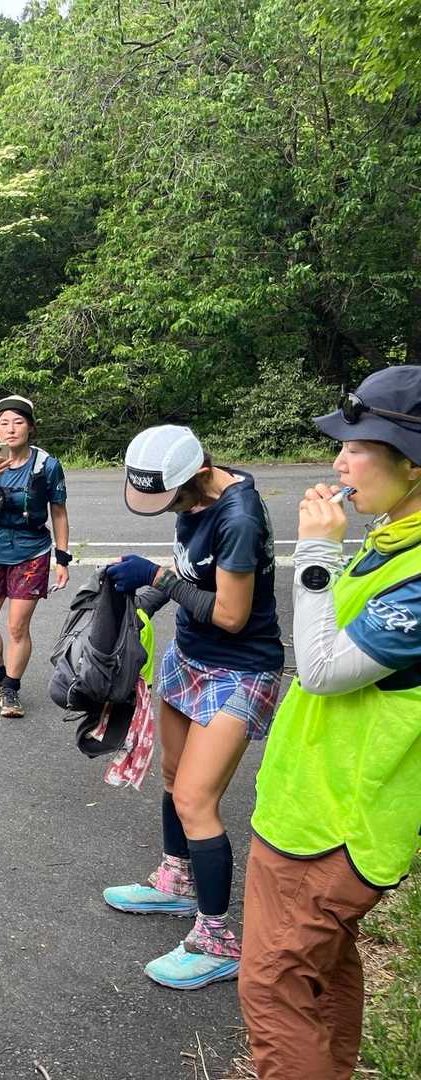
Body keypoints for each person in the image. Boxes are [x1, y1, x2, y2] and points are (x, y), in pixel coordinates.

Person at [240, 366, 421, 1079]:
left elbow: (319, 669)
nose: (339, 464)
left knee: (273, 989)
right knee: (321, 973)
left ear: (413, 464)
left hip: (336, 822)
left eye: (358, 448)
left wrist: (316, 552)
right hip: (317, 802)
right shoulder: (394, 538)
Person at [102, 425, 284, 990]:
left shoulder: (239, 518)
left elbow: (230, 614)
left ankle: (216, 940)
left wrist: (155, 576)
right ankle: (176, 882)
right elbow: (188, 570)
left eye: (173, 498)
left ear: (198, 473)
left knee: (195, 799)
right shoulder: (197, 497)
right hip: (190, 656)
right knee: (173, 775)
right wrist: (141, 602)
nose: (170, 509)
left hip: (240, 669)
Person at [0, 395, 71, 717]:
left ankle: (11, 687)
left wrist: (62, 559)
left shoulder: (47, 466)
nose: (11, 429)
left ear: (30, 427)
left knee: (17, 627)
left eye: (18, 422)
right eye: (4, 423)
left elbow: (59, 512)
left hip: (32, 553)